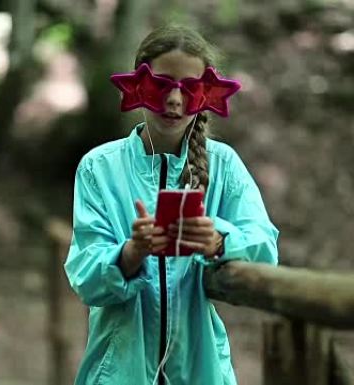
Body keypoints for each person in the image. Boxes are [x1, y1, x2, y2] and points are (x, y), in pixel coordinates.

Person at [64, 24, 279, 385]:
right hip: (117, 373)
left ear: (206, 93)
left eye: (189, 88)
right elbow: (85, 274)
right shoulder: (99, 168)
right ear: (139, 85)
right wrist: (130, 254)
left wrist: (219, 241)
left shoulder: (223, 165)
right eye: (163, 84)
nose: (175, 100)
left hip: (202, 370)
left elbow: (265, 249)